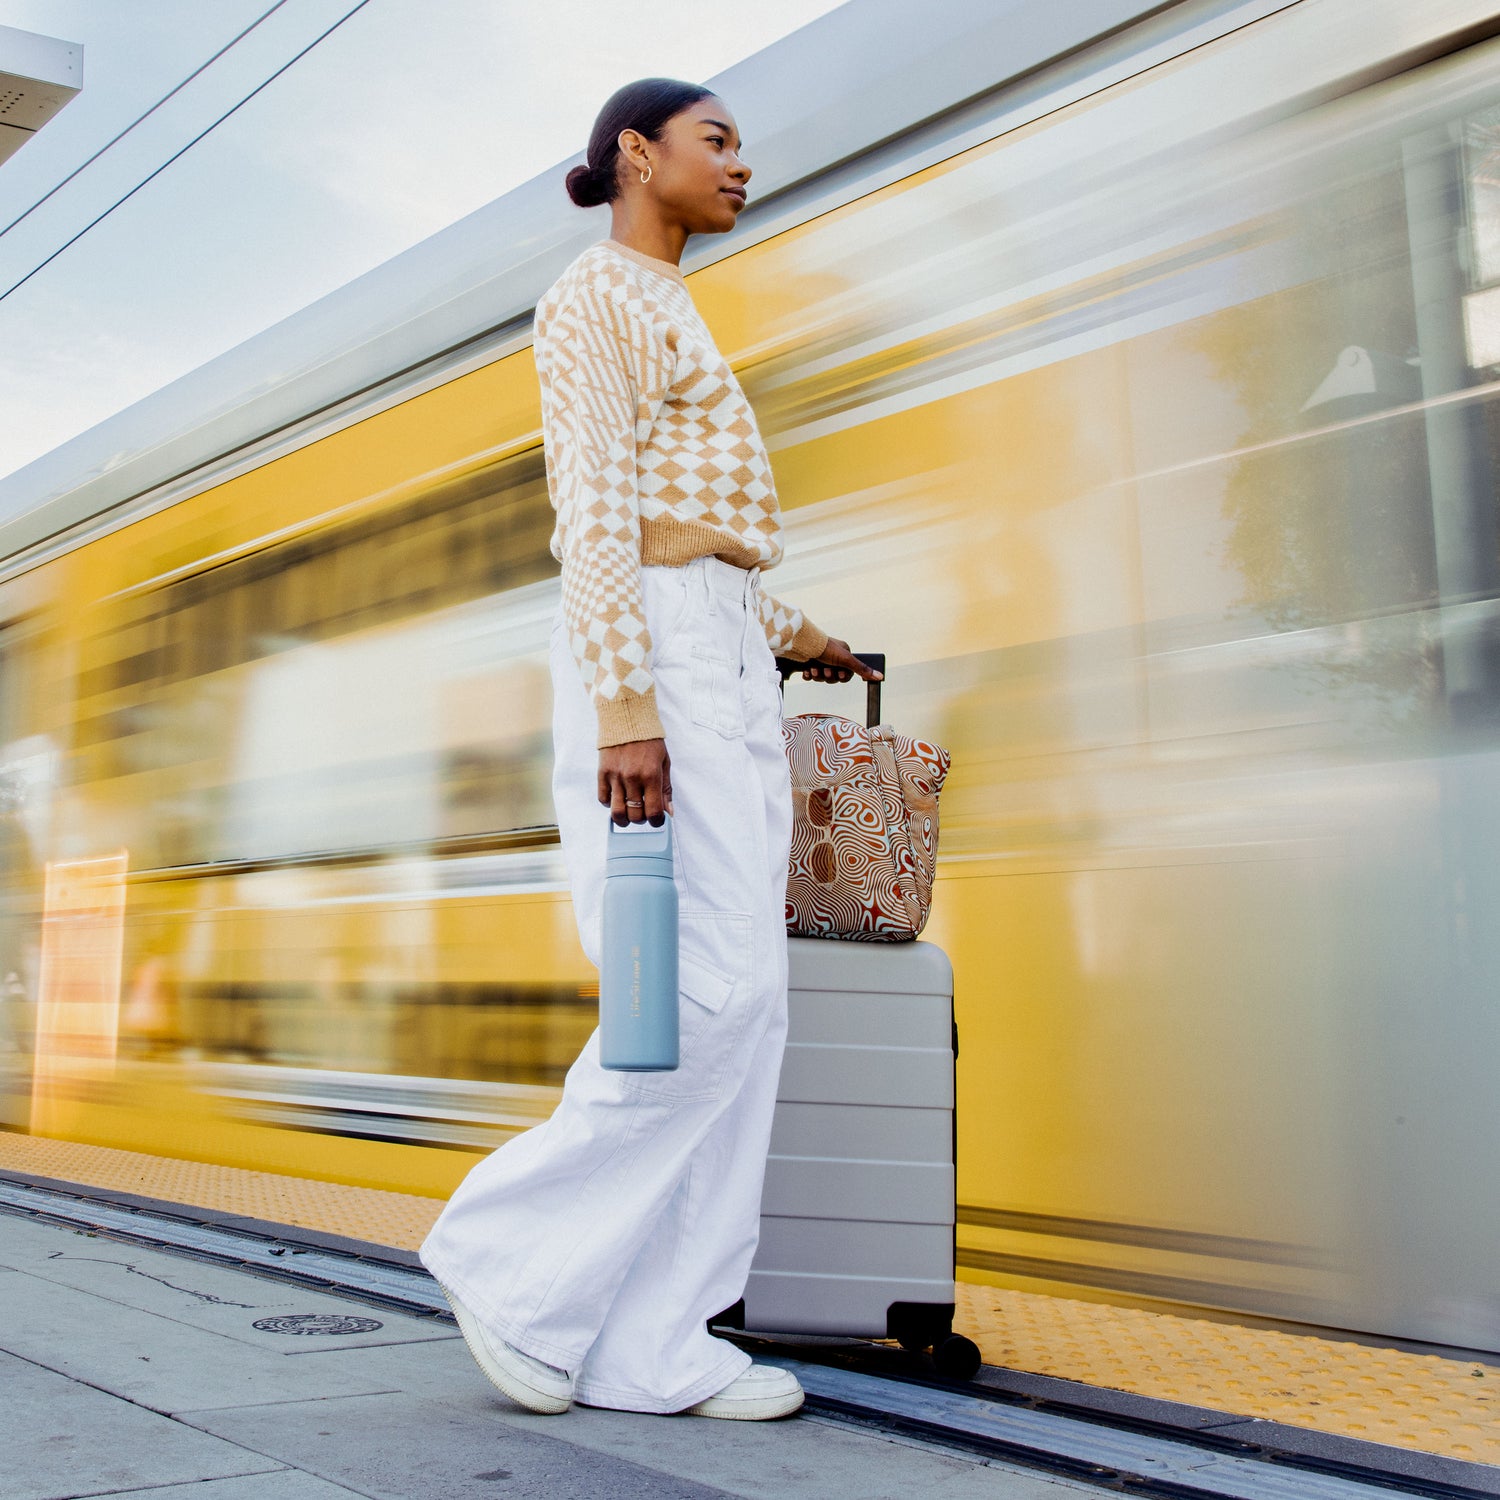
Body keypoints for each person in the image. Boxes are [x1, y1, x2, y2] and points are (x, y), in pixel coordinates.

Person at [420, 77, 879, 1423]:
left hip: (720, 641)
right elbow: (600, 517)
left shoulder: (674, 305)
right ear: (638, 154)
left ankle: (652, 1341)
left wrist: (798, 633)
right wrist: (627, 707)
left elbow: (699, 535)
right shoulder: (595, 299)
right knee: (697, 998)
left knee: (755, 1008)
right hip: (662, 664)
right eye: (716, 141)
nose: (744, 164)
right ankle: (511, 1263)